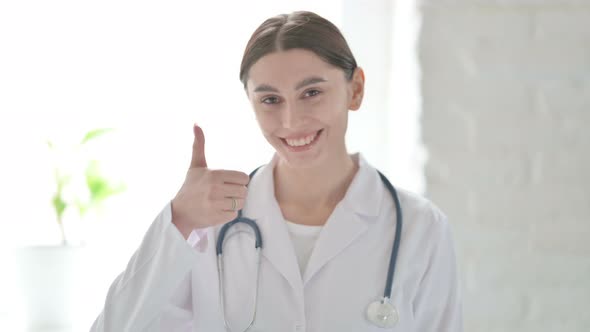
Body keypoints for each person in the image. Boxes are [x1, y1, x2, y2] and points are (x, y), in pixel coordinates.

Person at [91, 11, 463, 332]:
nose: (291, 121)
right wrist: (178, 220)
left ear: (356, 90)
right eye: (270, 99)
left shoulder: (420, 229)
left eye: (311, 92)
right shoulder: (209, 223)